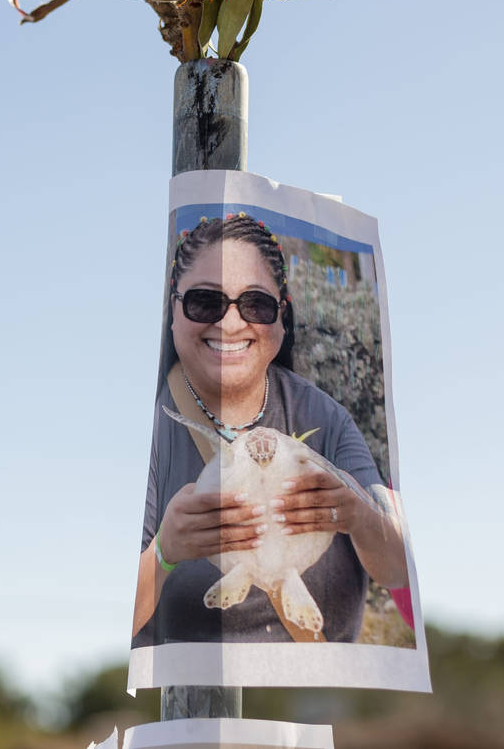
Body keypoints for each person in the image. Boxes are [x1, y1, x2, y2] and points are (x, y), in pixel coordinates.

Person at [132, 212, 408, 646]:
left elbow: (397, 568)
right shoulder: (144, 431)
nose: (230, 324)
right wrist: (163, 554)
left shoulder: (324, 415)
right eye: (205, 301)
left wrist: (357, 514)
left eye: (255, 305)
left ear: (282, 318)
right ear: (172, 311)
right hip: (186, 705)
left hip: (325, 694)